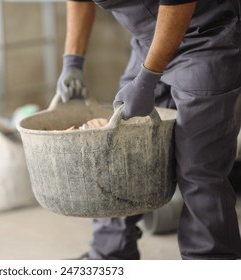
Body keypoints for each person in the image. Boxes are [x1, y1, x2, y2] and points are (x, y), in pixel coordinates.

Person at [56, 0, 241, 260]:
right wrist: (72, 62)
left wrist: (148, 77)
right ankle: (110, 255)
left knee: (199, 169)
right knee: (120, 148)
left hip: (206, 34)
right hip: (148, 39)